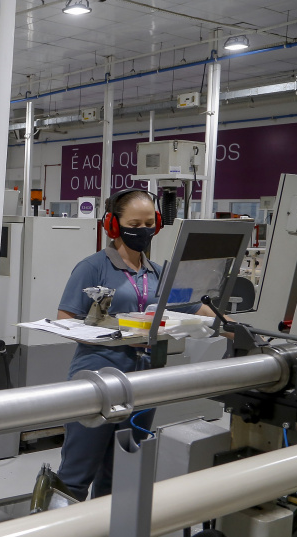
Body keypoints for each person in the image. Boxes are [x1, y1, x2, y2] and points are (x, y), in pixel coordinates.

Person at [55, 189, 219, 501]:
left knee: (122, 474)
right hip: (99, 379)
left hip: (144, 382)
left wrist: (237, 328)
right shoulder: (93, 267)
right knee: (76, 474)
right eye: (134, 224)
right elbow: (65, 319)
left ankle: (109, 530)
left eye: (148, 224)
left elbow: (197, 307)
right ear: (113, 225)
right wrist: (115, 333)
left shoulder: (158, 273)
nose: (142, 231)